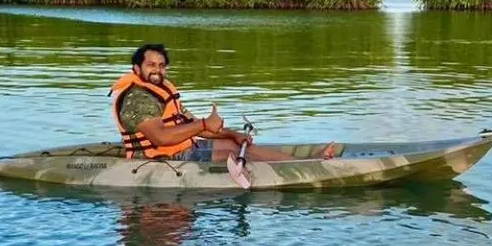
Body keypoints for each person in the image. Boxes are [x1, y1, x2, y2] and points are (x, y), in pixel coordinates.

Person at [109, 43, 339, 164]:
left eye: (161, 65)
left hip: (183, 149)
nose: (157, 70)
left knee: (239, 145)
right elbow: (161, 138)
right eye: (151, 65)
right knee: (232, 151)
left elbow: (190, 125)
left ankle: (306, 162)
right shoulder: (136, 98)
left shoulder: (163, 90)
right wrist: (203, 125)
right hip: (158, 159)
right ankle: (309, 164)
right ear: (137, 69)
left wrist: (232, 133)